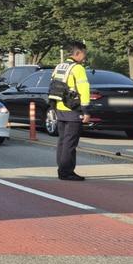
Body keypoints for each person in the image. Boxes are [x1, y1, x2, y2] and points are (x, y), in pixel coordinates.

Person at [50, 41, 90, 181]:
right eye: (84, 53)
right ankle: (67, 172)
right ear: (78, 53)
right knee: (70, 142)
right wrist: (86, 110)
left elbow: (53, 86)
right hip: (73, 109)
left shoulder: (60, 66)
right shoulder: (78, 68)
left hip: (60, 108)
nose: (85, 57)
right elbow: (84, 90)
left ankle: (62, 169)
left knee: (62, 141)